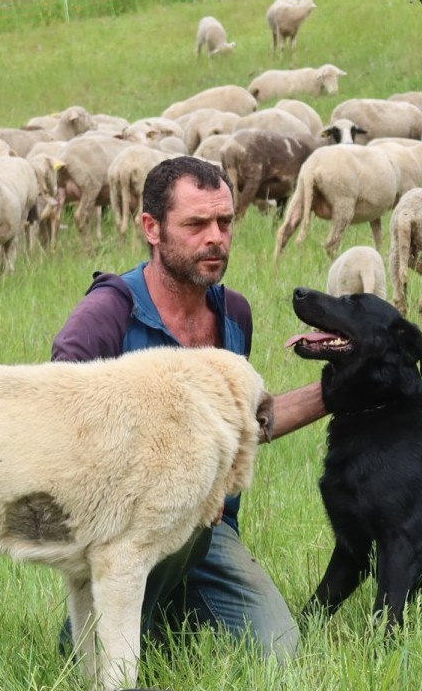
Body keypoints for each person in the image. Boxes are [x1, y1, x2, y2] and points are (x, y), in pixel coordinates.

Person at [51, 155, 326, 660]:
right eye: (196, 224)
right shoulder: (107, 314)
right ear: (151, 228)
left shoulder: (232, 312)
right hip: (124, 525)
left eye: (225, 222)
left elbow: (244, 427)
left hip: (209, 529)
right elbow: (58, 423)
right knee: (121, 651)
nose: (216, 237)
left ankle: (166, 607)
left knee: (282, 653)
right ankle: (96, 637)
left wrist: (334, 392)